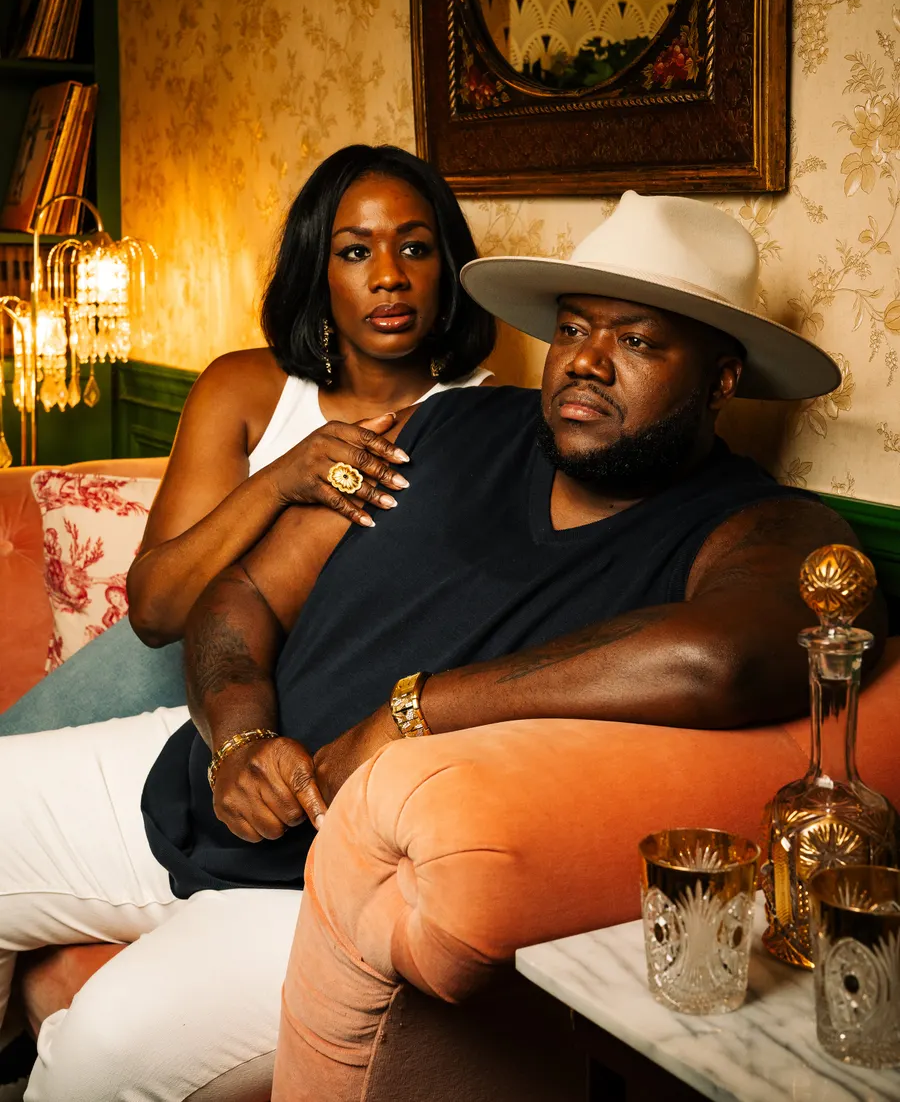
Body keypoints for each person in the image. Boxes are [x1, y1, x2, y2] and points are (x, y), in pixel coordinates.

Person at [0, 192, 877, 1102]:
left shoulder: (759, 524)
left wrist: (414, 713)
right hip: (204, 776)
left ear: (722, 380)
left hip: (342, 894)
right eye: (574, 328)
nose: (586, 361)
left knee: (99, 1047)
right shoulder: (446, 426)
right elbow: (245, 592)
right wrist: (237, 736)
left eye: (638, 341)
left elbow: (725, 660)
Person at [0, 143, 495, 736]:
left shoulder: (485, 415)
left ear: (447, 265)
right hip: (170, 668)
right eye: (355, 252)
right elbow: (155, 615)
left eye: (415, 248)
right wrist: (282, 481)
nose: (390, 276)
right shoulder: (242, 388)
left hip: (316, 700)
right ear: (318, 270)